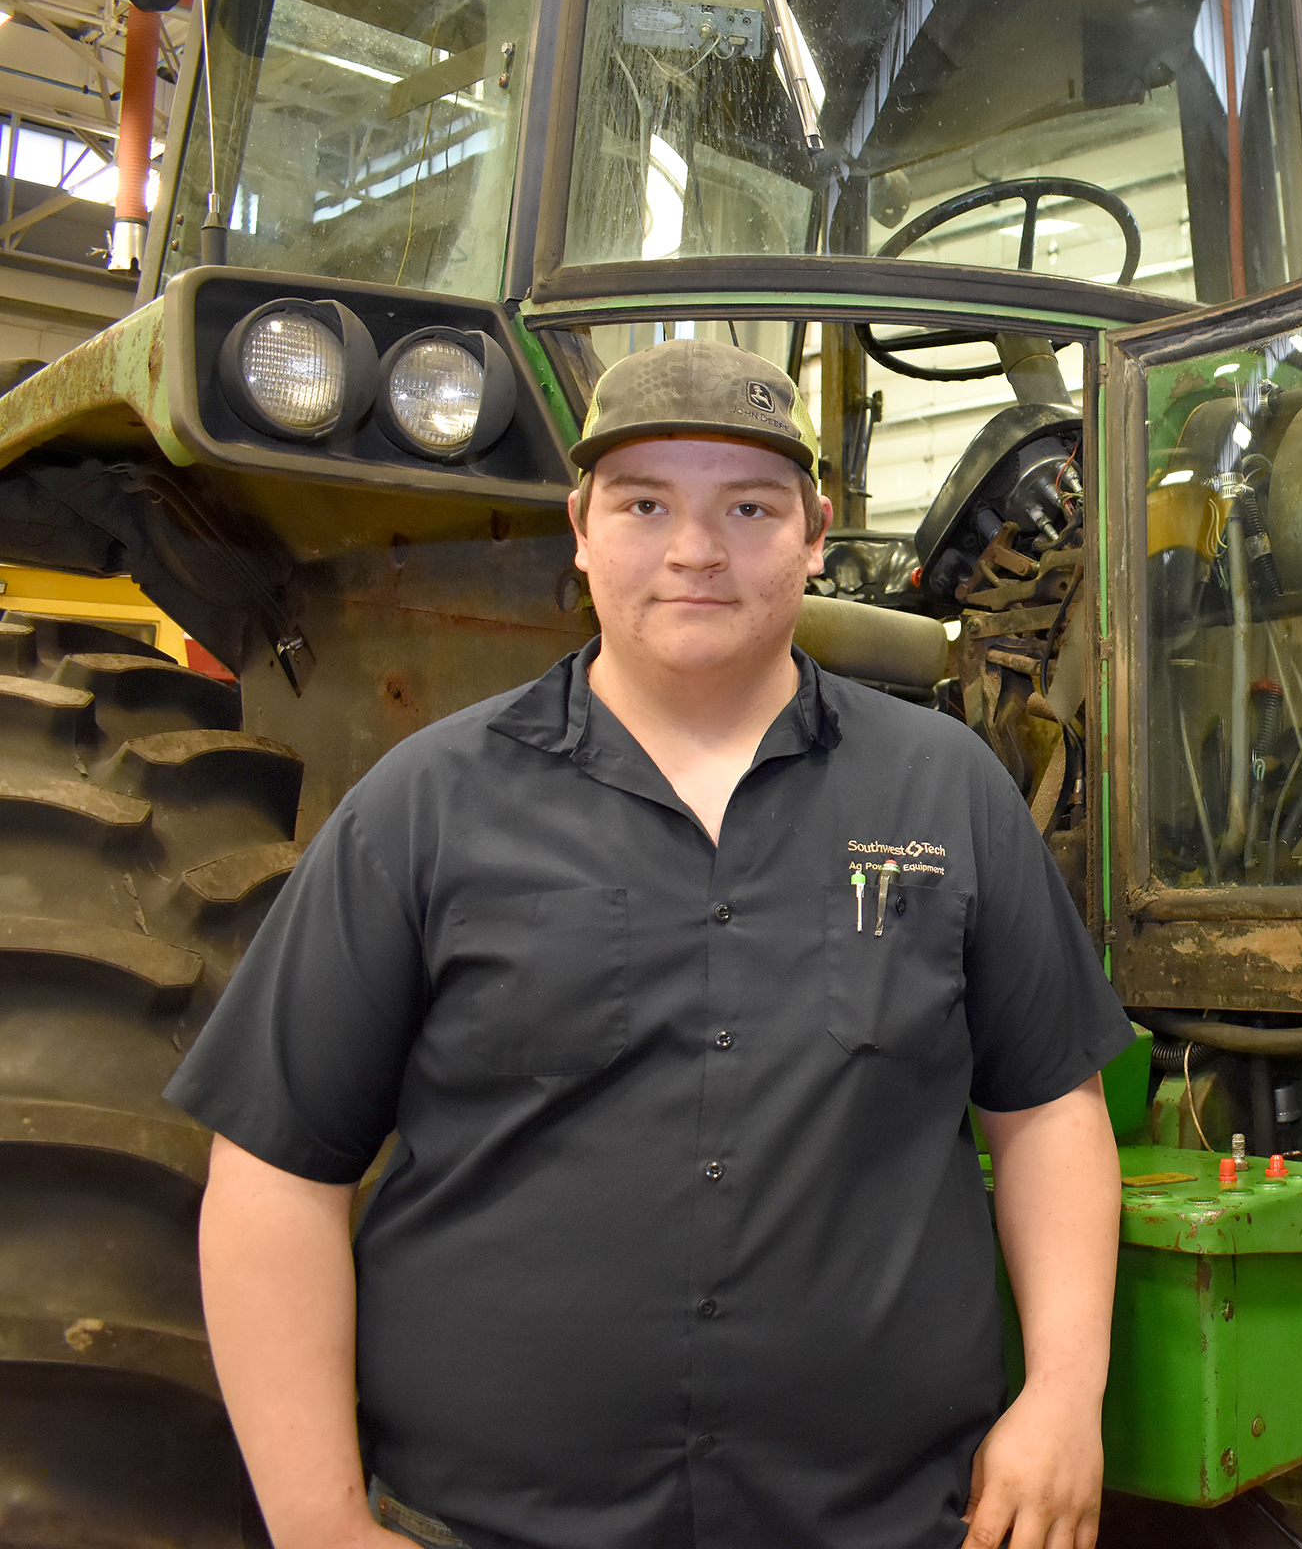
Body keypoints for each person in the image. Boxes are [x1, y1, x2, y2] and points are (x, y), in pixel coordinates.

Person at [167, 338, 1134, 1549]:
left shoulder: (947, 793)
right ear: (580, 527)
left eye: (748, 506)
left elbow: (1049, 1110)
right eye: (644, 504)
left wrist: (1063, 1394)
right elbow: (273, 1170)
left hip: (883, 1523)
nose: (695, 549)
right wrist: (318, 1522)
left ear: (815, 532)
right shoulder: (424, 807)